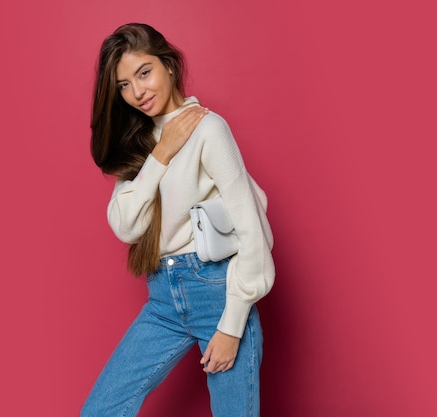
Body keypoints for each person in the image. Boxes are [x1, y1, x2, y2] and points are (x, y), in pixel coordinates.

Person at [81, 23, 275, 417]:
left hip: (218, 292)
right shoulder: (139, 141)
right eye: (123, 85)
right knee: (101, 409)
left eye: (144, 72)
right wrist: (161, 154)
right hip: (163, 299)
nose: (137, 92)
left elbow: (251, 225)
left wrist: (232, 324)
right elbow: (127, 226)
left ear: (168, 66)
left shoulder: (208, 128)